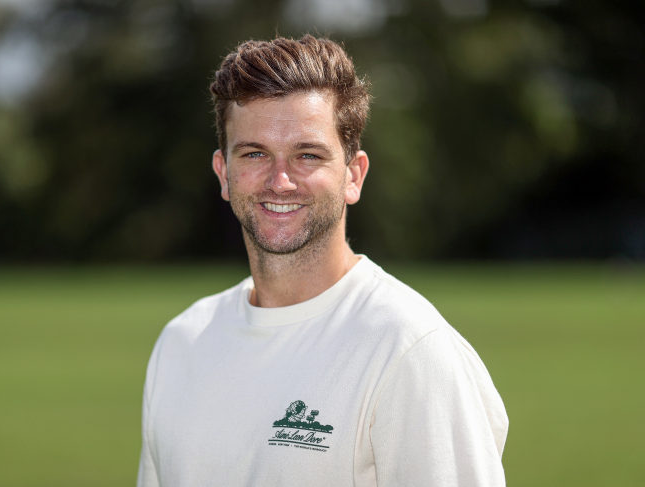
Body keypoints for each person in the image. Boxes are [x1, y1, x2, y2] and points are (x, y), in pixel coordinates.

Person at [137, 35, 508, 487]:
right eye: (254, 153)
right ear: (224, 174)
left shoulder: (409, 350)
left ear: (353, 176)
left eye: (307, 155)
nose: (280, 181)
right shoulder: (182, 343)